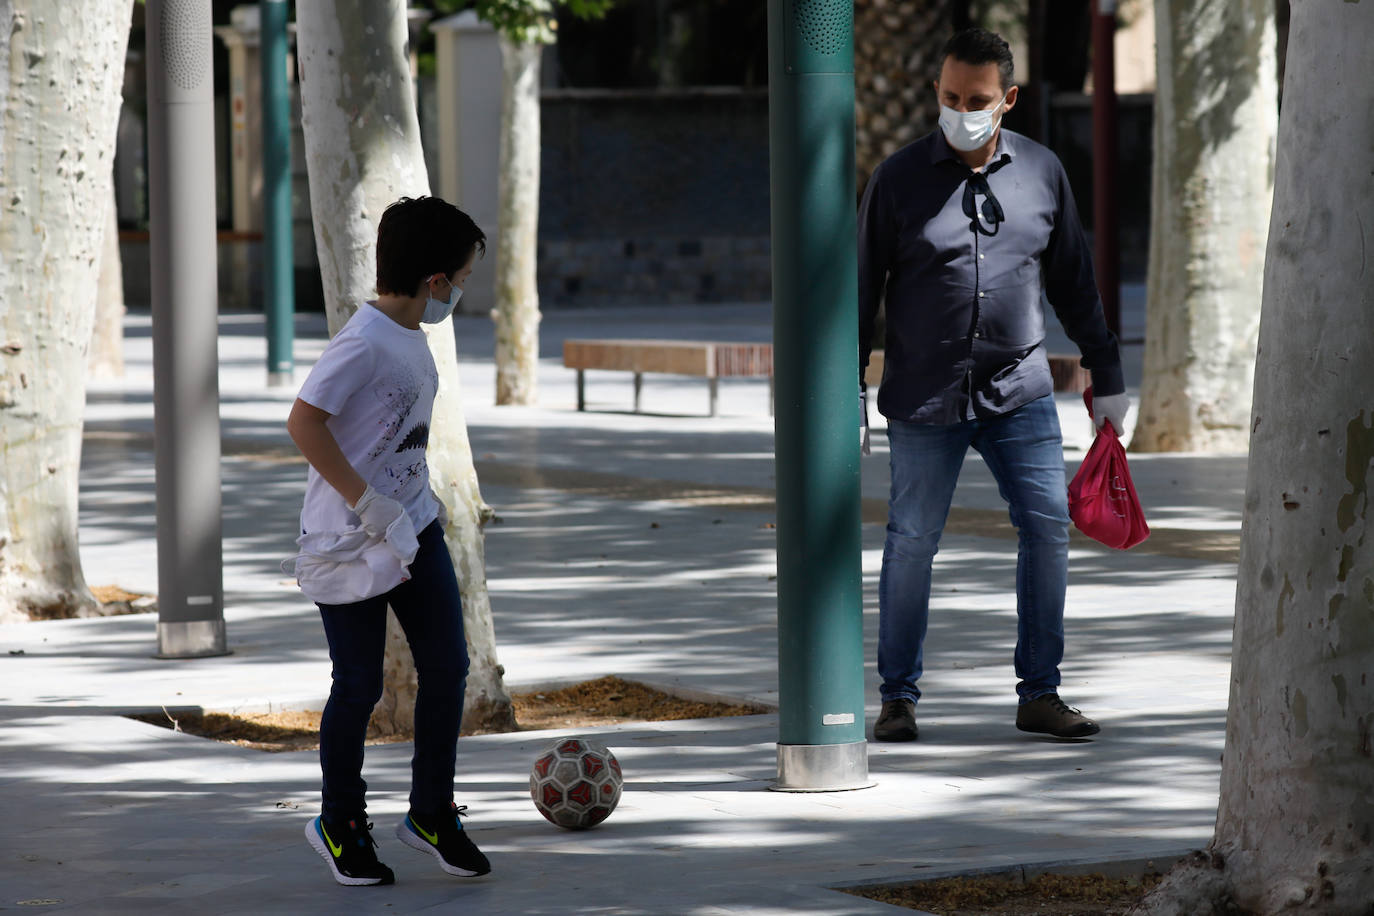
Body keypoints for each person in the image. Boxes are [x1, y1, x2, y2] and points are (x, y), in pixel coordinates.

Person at [858, 28, 1128, 743]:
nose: (960, 110)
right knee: (912, 540)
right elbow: (861, 291)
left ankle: (1040, 693)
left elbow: (1074, 280)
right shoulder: (897, 179)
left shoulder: (1042, 173)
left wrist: (1110, 375)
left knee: (1046, 530)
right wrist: (846, 385)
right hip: (924, 396)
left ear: (1006, 100)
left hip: (1020, 392)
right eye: (949, 97)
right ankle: (898, 698)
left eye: (976, 100)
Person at [287, 195, 491, 886]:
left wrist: (403, 506)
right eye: (461, 277)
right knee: (359, 685)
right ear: (435, 281)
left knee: (449, 668)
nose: (462, 290)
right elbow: (304, 422)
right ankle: (339, 821)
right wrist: (365, 501)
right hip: (348, 541)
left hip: (414, 528)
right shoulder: (363, 341)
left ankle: (431, 812)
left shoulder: (413, 338)